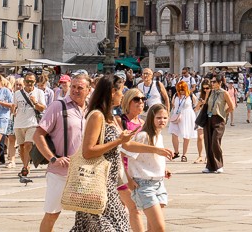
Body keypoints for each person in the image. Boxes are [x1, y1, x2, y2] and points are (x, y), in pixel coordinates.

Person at [72, 75, 137, 231]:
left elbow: (126, 144)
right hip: (96, 184)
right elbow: (88, 151)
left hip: (110, 185)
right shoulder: (97, 116)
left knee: (118, 226)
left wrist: (158, 151)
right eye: (121, 91)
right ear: (112, 92)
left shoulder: (110, 117)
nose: (123, 95)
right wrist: (118, 141)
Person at [34, 73, 90, 232]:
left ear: (88, 90)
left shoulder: (90, 110)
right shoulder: (58, 106)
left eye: (80, 88)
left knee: (88, 215)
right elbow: (38, 135)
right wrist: (53, 159)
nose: (75, 90)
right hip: (60, 173)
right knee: (52, 214)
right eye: (73, 86)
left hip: (83, 173)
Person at [123, 104, 175, 232]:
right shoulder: (143, 136)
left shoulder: (159, 135)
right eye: (158, 118)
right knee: (159, 228)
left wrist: (163, 169)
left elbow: (149, 158)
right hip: (144, 184)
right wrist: (128, 179)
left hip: (159, 183)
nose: (162, 121)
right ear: (151, 118)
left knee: (153, 228)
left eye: (164, 118)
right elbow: (124, 152)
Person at [117, 87, 148, 232]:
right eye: (136, 99)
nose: (140, 102)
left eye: (143, 99)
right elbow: (120, 150)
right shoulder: (120, 121)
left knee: (122, 208)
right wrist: (128, 178)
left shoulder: (143, 123)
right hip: (122, 170)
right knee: (134, 208)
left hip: (138, 170)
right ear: (128, 101)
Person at [12, 73, 46, 183]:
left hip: (32, 123)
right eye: (27, 81)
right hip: (19, 123)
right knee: (22, 147)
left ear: (35, 82)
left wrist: (35, 101)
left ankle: (25, 167)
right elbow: (14, 107)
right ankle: (25, 164)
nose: (29, 83)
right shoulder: (17, 93)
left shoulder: (39, 92)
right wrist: (13, 109)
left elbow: (42, 108)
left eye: (31, 81)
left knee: (28, 144)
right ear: (24, 82)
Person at [201, 77, 236, 174]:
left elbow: (232, 106)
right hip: (208, 119)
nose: (212, 83)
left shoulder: (224, 93)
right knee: (208, 142)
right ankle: (210, 166)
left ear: (220, 82)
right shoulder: (210, 92)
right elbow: (206, 104)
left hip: (218, 119)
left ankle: (219, 165)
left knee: (215, 141)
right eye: (211, 82)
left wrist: (223, 113)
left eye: (214, 82)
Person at [168, 82, 195, 162]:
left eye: (182, 89)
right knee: (173, 133)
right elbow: (173, 104)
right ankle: (176, 152)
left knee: (186, 135)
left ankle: (184, 155)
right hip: (176, 115)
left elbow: (196, 104)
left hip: (187, 116)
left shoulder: (190, 95)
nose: (181, 91)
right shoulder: (176, 95)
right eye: (179, 90)